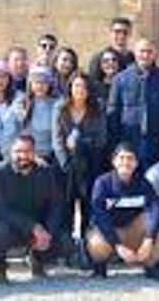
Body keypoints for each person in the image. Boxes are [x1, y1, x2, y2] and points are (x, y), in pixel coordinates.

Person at [0, 133, 65, 282]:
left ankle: (38, 261)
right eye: (18, 151)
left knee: (65, 241)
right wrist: (32, 226)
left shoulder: (46, 172)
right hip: (11, 227)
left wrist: (47, 232)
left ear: (34, 153)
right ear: (10, 152)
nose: (23, 155)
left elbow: (56, 205)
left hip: (38, 230)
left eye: (27, 151)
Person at [87, 143, 159, 279]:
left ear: (136, 163)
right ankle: (100, 268)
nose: (126, 162)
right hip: (111, 232)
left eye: (130, 158)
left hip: (132, 230)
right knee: (95, 242)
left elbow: (155, 208)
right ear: (114, 161)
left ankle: (150, 264)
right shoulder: (103, 183)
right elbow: (99, 215)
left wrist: (149, 239)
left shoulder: (143, 183)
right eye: (121, 158)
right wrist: (117, 245)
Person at [52, 73, 108, 256]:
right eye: (76, 86)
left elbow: (101, 139)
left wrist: (80, 143)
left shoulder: (97, 108)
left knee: (87, 207)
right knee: (66, 208)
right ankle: (67, 250)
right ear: (70, 88)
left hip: (90, 165)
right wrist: (65, 163)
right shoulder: (60, 108)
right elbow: (57, 140)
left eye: (84, 86)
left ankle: (87, 248)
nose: (80, 90)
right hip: (66, 166)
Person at [106, 38, 159, 170]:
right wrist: (115, 143)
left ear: (154, 54)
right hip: (129, 141)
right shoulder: (121, 79)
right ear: (135, 53)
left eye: (149, 51)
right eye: (142, 51)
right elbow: (113, 111)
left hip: (157, 142)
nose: (145, 55)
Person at [4, 65, 58, 162]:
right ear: (30, 84)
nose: (40, 86)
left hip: (49, 156)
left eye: (44, 82)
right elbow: (9, 133)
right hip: (23, 156)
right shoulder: (20, 103)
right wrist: (9, 156)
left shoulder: (55, 105)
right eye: (37, 82)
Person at [88, 17, 136, 82]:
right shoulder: (99, 58)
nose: (121, 36)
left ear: (130, 34)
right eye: (117, 32)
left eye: (125, 32)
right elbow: (93, 84)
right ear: (110, 33)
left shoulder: (134, 59)